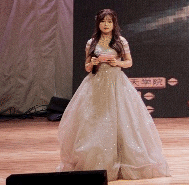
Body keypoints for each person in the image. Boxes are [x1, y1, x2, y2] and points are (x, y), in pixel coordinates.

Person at [57, 9, 170, 181]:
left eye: (109, 21)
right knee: (94, 121)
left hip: (117, 84)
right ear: (98, 23)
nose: (106, 24)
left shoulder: (120, 41)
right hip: (95, 84)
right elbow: (87, 67)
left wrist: (117, 62)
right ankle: (96, 162)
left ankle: (123, 162)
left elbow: (129, 62)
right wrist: (93, 62)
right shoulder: (91, 42)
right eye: (103, 21)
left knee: (123, 120)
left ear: (114, 24)